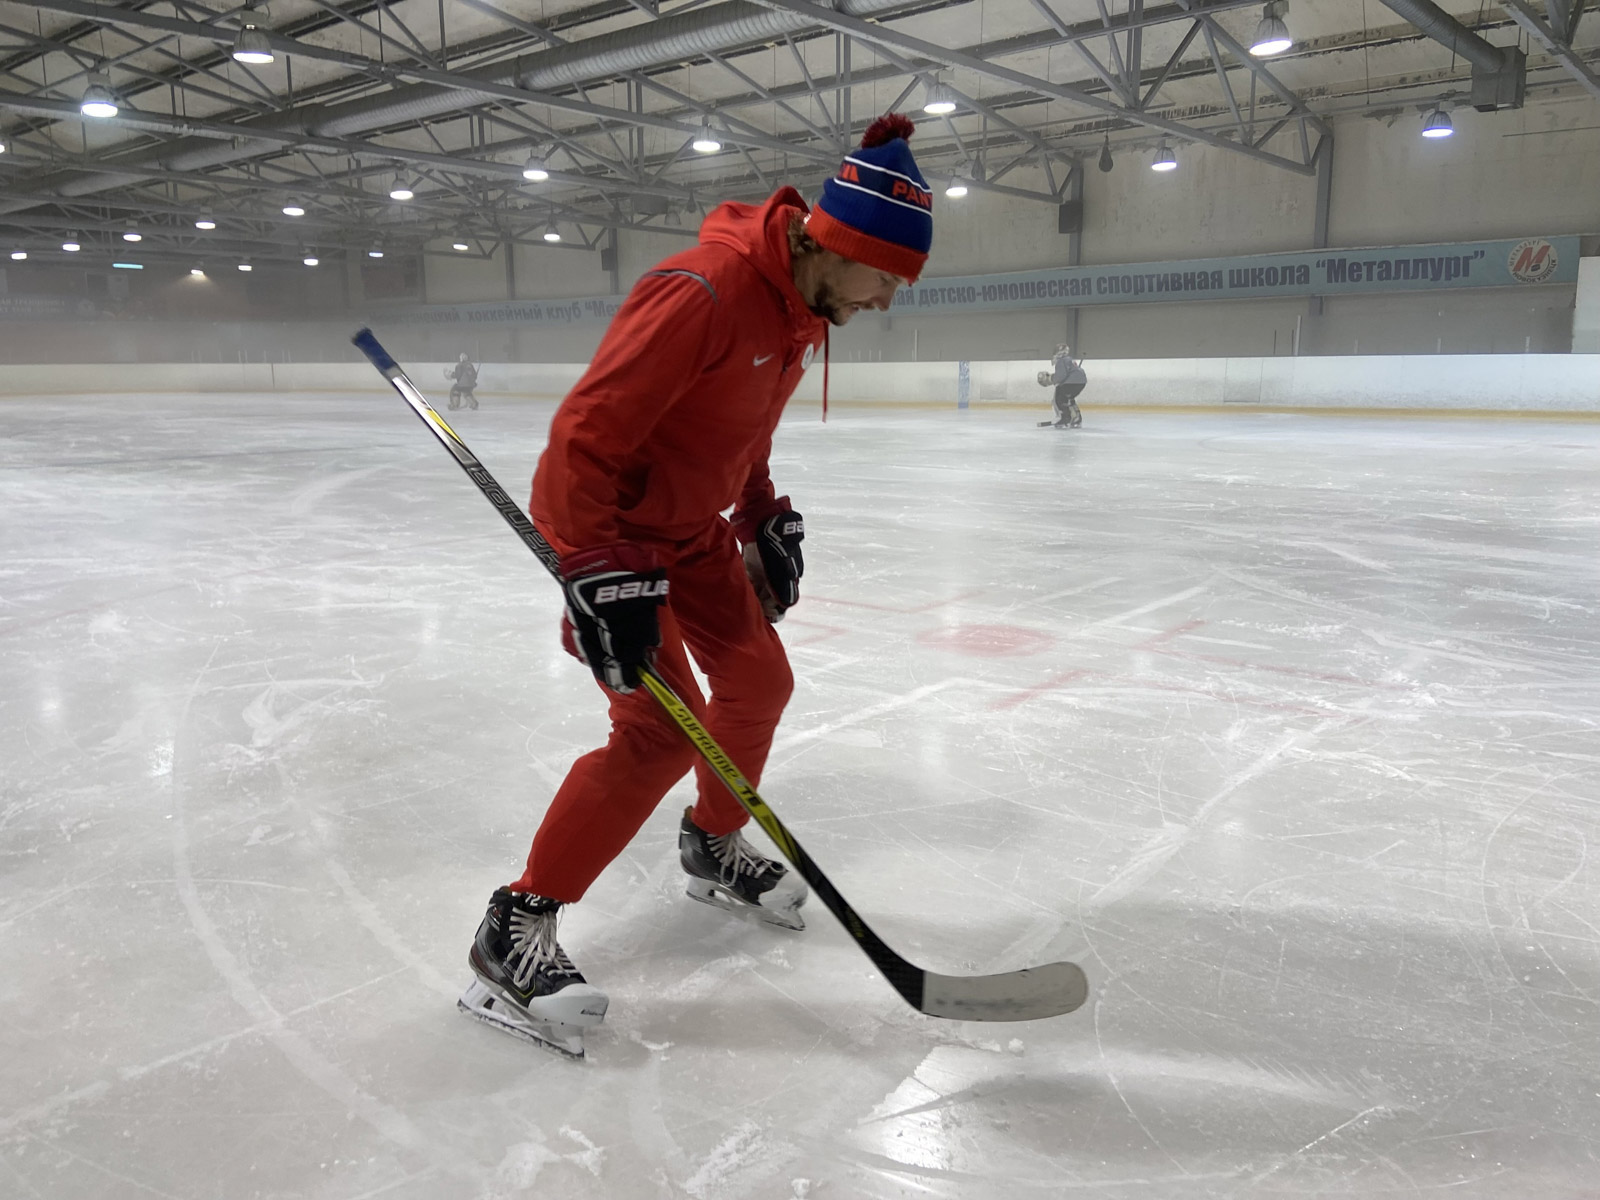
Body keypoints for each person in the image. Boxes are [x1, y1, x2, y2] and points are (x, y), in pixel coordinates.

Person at [460, 113, 935, 1056]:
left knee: (760, 684)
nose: (887, 299)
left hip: (697, 537)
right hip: (620, 546)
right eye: (887, 276)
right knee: (654, 730)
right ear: (837, 245)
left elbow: (741, 432)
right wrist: (593, 572)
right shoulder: (704, 291)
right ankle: (515, 923)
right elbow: (581, 439)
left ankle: (710, 842)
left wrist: (760, 512)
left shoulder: (804, 313)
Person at [1037, 344, 1085, 429]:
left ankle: (1064, 419)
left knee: (1059, 399)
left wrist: (1051, 379)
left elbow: (1061, 375)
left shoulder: (1061, 361)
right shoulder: (1069, 360)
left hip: (1071, 383)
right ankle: (1076, 418)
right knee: (1069, 399)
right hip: (1081, 382)